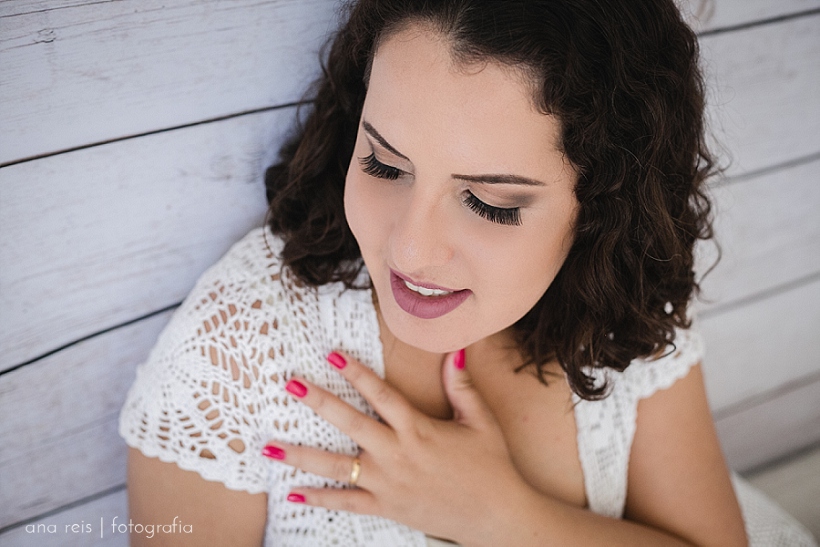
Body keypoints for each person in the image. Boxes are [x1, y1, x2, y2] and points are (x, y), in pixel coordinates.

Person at [119, 1, 816, 545]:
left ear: (604, 204)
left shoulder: (621, 297)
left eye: (490, 202)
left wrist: (503, 516)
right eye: (385, 164)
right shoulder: (236, 351)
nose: (411, 251)